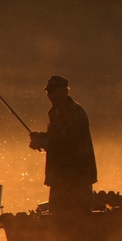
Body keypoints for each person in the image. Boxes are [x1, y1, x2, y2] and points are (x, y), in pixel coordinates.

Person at [29, 76, 97, 214]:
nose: (50, 95)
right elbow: (56, 135)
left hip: (78, 177)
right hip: (59, 177)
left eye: (54, 91)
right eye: (49, 92)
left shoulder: (75, 112)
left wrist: (42, 143)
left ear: (65, 91)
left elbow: (67, 143)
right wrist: (41, 136)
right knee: (57, 218)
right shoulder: (54, 112)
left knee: (79, 217)